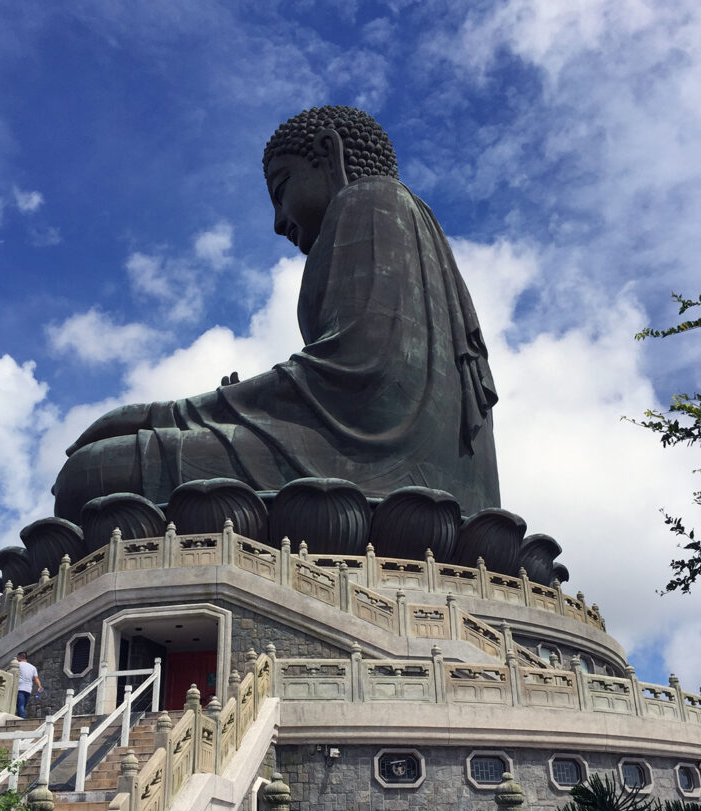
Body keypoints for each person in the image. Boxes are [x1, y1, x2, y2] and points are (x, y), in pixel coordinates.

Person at [51, 106, 499, 523]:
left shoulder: (368, 199)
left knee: (88, 475)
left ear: (329, 152)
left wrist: (169, 414)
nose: (278, 221)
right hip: (411, 478)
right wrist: (249, 407)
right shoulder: (404, 217)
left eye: (282, 189)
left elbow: (358, 374)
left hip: (375, 465)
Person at [16, 651, 42, 719]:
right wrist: (40, 687)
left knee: (20, 706)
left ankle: (22, 720)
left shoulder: (18, 664)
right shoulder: (33, 667)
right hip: (28, 689)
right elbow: (36, 678)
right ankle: (20, 718)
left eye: (17, 657)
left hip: (20, 688)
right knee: (23, 706)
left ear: (19, 657)